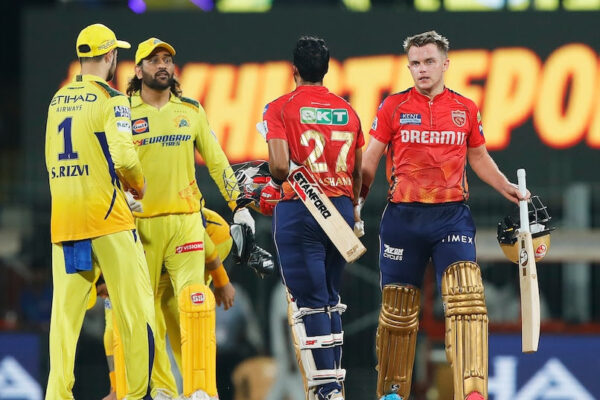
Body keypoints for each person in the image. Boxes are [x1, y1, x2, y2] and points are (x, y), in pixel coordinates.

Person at [358, 31, 529, 400]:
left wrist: (506, 189)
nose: (421, 70)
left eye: (429, 62)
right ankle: (392, 391)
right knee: (398, 312)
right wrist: (355, 202)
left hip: (451, 217)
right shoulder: (393, 107)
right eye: (415, 63)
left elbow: (479, 157)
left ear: (446, 64)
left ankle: (473, 390)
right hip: (403, 218)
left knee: (467, 297)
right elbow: (370, 159)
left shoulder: (465, 108)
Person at [125, 37, 256, 400]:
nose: (162, 65)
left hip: (186, 221)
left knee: (195, 301)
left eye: (167, 59)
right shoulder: (122, 113)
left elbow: (217, 162)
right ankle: (164, 389)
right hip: (141, 226)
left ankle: (201, 389)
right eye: (153, 60)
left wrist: (240, 204)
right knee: (146, 312)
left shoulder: (191, 110)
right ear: (138, 71)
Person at [44, 23, 155, 400]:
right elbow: (125, 157)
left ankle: (57, 395)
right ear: (111, 56)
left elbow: (49, 161)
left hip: (66, 223)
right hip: (108, 220)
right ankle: (138, 394)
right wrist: (136, 185)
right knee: (135, 310)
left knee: (64, 321)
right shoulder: (112, 99)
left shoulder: (57, 99)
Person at [259, 36, 364, 400]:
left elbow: (278, 166)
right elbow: (359, 174)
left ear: (294, 71)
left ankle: (328, 389)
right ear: (326, 69)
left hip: (302, 210)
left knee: (310, 303)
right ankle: (335, 385)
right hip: (340, 209)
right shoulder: (348, 111)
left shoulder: (279, 108)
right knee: (331, 300)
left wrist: (269, 181)